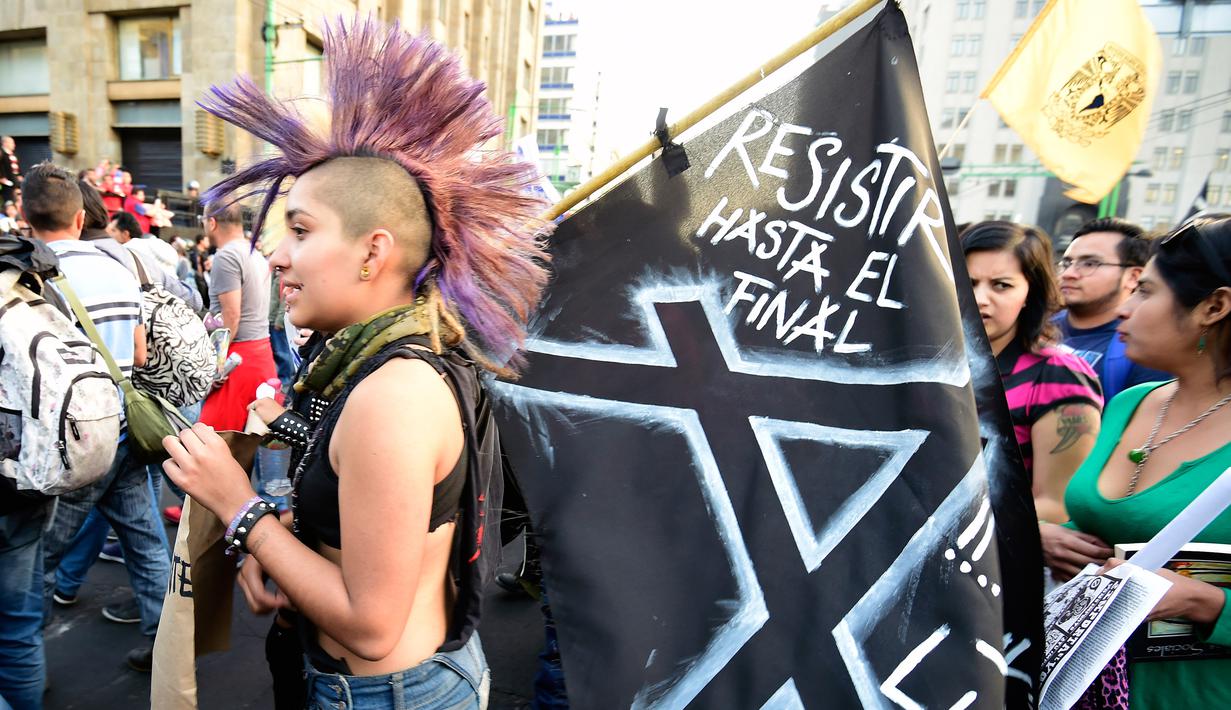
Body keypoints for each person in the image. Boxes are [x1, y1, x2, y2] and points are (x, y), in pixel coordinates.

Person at [161, 18, 551, 709]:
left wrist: (238, 506)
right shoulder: (373, 365)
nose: (276, 255)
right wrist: (273, 547)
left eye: (301, 231)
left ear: (373, 253)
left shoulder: (391, 395)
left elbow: (372, 627)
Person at [1042, 215, 1231, 709]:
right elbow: (1096, 522)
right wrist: (1047, 538)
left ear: (1215, 306)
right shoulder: (1133, 402)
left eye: (1145, 292)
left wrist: (1203, 601)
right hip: (1085, 686)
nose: (1125, 309)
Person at [21, 163, 170, 673]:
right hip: (124, 431)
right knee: (148, 547)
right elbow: (141, 354)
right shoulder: (118, 267)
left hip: (70, 444)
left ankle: (24, 671)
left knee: (38, 560)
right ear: (81, 219)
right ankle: (165, 647)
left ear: (24, 217)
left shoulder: (29, 278)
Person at [961, 221, 1104, 523]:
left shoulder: (1058, 374)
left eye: (1001, 285)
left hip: (998, 559)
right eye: (968, 282)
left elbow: (1057, 505)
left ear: (1030, 293)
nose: (980, 298)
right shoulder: (931, 362)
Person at [1056, 218, 1170, 401]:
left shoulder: (1142, 350)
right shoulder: (1036, 328)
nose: (1069, 274)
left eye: (1090, 264)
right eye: (1067, 263)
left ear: (1134, 277)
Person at [195, 201, 277, 431]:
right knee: (246, 443)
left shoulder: (227, 256)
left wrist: (217, 365)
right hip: (258, 354)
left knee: (214, 442)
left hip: (237, 359)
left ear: (211, 223)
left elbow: (231, 314)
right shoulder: (254, 254)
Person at [0, 136, 20, 203]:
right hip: (5, 183)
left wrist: (19, 175)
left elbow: (15, 167)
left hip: (14, 181)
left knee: (17, 199)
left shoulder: (12, 154)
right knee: (8, 201)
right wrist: (1, 177)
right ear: (5, 143)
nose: (14, 145)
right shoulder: (1, 153)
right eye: (12, 143)